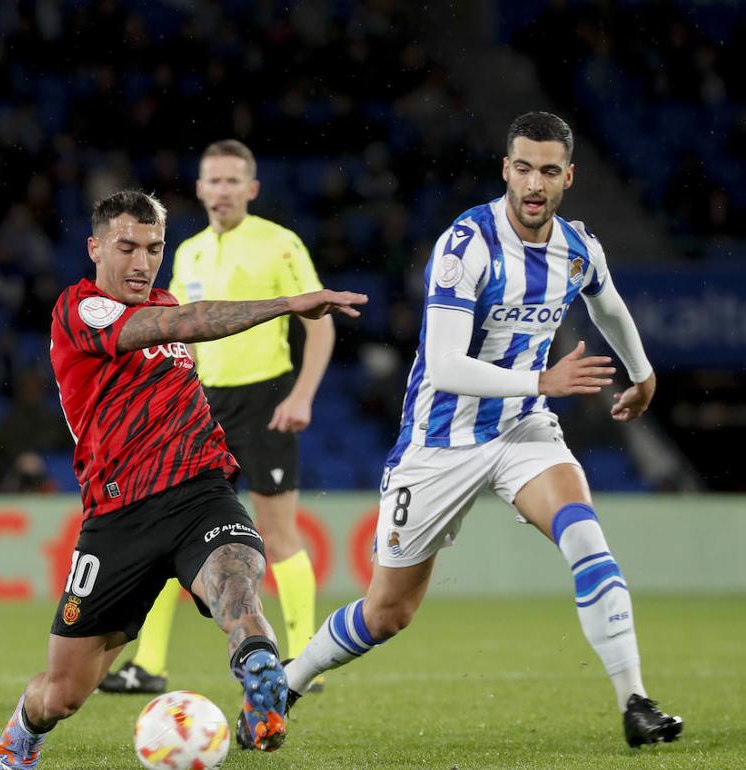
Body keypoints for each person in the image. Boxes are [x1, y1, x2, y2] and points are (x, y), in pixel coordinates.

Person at [277, 112, 682, 750]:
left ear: (568, 177)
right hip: (439, 443)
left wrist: (643, 371)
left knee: (585, 534)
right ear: (506, 169)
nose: (534, 183)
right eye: (523, 167)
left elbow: (605, 300)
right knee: (388, 613)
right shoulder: (466, 246)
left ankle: (636, 701)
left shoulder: (577, 248)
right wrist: (542, 382)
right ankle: (289, 681)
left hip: (522, 429)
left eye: (549, 171)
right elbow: (444, 364)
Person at [0, 190, 367, 769]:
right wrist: (288, 304)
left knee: (237, 587)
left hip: (201, 495)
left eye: (154, 248)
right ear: (95, 248)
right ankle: (25, 727)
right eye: (127, 248)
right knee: (63, 693)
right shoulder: (80, 309)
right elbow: (186, 320)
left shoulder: (163, 305)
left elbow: (180, 325)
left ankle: (260, 673)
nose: (142, 263)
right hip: (118, 519)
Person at [101, 139, 334, 695]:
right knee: (168, 537)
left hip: (265, 399)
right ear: (200, 188)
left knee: (278, 535)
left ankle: (301, 661)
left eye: (234, 181)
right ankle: (146, 666)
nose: (223, 190)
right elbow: (181, 333)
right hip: (203, 407)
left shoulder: (280, 244)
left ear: (251, 189)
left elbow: (319, 321)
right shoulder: (188, 253)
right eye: (214, 180)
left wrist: (301, 395)